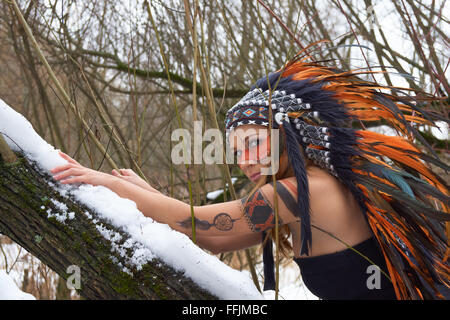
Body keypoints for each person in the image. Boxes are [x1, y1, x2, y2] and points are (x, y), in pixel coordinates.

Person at [50, 57, 449, 300]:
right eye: (238, 151)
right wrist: (143, 190)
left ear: (289, 136)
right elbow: (213, 235)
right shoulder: (313, 186)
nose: (245, 160)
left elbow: (196, 222)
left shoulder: (293, 192)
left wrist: (109, 184)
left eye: (255, 142)